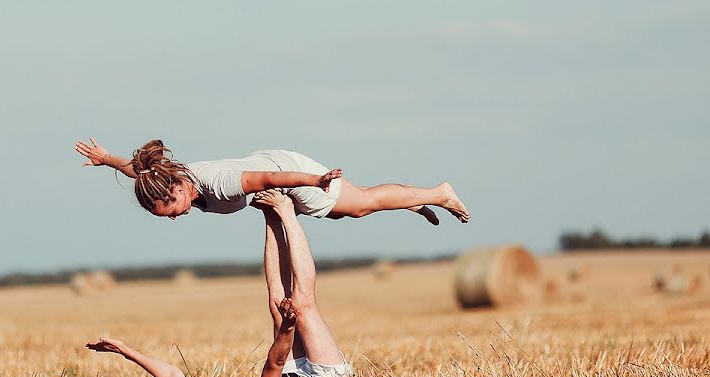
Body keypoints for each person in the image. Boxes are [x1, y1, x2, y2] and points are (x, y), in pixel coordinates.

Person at [86, 190, 353, 377]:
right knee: (303, 305)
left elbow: (173, 375)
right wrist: (289, 325)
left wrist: (126, 352)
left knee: (275, 304)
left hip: (295, 373)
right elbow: (275, 361)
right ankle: (286, 212)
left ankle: (270, 216)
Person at [75, 138, 469, 225]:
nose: (175, 216)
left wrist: (315, 180)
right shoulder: (165, 179)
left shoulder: (222, 183)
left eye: (172, 210)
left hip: (287, 173)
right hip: (276, 170)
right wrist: (107, 159)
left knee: (361, 205)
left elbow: (269, 178)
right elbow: (141, 171)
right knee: (340, 214)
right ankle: (408, 200)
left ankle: (438, 193)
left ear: (180, 191)